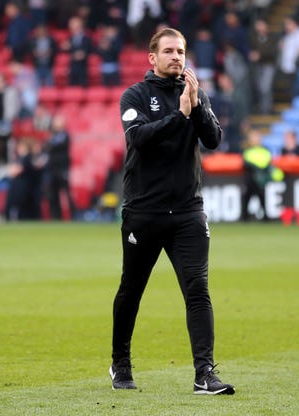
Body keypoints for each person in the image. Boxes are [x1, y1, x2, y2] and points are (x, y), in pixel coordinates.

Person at [110, 27, 235, 395]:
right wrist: (179, 115)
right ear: (152, 58)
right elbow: (137, 139)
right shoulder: (135, 94)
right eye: (168, 51)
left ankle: (205, 373)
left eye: (181, 50)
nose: (177, 57)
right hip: (144, 212)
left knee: (198, 289)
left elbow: (213, 140)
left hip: (187, 212)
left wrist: (195, 108)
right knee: (131, 290)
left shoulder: (194, 94)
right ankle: (120, 364)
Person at [44, 114, 75, 220]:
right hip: (53, 169)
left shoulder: (65, 136)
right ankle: (56, 216)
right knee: (53, 194)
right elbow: (47, 147)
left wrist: (51, 146)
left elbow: (54, 146)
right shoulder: (53, 136)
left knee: (66, 193)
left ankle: (73, 216)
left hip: (62, 169)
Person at [241, 129, 273, 221]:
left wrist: (256, 167)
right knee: (246, 198)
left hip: (260, 180)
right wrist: (257, 167)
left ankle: (265, 217)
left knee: (262, 199)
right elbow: (245, 164)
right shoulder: (247, 151)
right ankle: (244, 217)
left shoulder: (265, 151)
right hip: (250, 179)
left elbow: (267, 163)